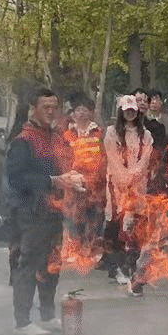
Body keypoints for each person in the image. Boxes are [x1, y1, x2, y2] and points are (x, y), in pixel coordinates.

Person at [5, 88, 84, 335]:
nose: (50, 112)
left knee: (52, 263)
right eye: (45, 107)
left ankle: (47, 314)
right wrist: (53, 181)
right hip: (31, 212)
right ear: (33, 109)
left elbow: (63, 166)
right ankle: (22, 322)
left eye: (54, 107)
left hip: (54, 211)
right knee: (28, 264)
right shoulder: (23, 140)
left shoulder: (56, 137)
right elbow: (17, 178)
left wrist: (72, 178)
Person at [103, 93, 155, 287]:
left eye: (133, 110)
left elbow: (145, 159)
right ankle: (115, 267)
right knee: (116, 226)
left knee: (136, 227)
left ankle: (130, 265)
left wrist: (134, 177)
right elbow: (112, 158)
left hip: (138, 188)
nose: (130, 114)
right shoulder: (111, 132)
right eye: (127, 111)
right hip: (116, 187)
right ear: (121, 112)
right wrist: (124, 178)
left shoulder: (146, 135)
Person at [61, 92, 107, 270]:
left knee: (95, 216)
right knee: (74, 216)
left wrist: (97, 176)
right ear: (73, 113)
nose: (81, 113)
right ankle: (75, 250)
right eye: (78, 110)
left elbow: (104, 156)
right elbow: (63, 157)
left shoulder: (99, 133)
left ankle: (93, 251)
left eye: (85, 110)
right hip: (74, 183)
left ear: (91, 112)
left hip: (95, 183)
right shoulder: (67, 134)